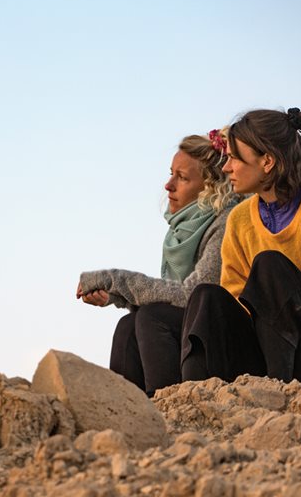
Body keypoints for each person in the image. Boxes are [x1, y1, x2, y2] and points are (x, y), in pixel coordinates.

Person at [181, 108, 301, 384]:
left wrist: (271, 292)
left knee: (269, 264)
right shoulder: (239, 218)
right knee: (206, 297)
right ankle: (192, 398)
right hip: (271, 343)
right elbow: (235, 294)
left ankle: (277, 389)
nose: (226, 168)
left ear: (267, 161)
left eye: (235, 158)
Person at [77, 132, 245, 394]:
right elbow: (169, 296)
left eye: (183, 177)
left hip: (226, 342)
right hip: (193, 331)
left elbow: (191, 295)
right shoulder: (182, 231)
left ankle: (170, 409)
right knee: (128, 326)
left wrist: (115, 280)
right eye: (171, 173)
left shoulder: (227, 222)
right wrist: (115, 295)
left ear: (212, 187)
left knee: (152, 317)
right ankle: (130, 416)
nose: (168, 185)